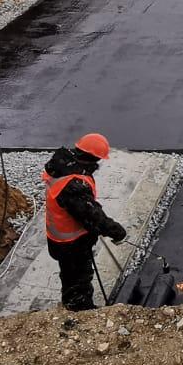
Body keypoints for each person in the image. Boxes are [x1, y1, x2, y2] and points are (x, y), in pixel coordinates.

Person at [42, 133, 127, 310]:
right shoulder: (73, 185)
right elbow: (91, 215)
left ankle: (73, 302)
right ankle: (79, 310)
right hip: (71, 244)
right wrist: (116, 231)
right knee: (78, 279)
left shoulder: (62, 166)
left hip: (59, 237)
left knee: (69, 274)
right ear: (93, 158)